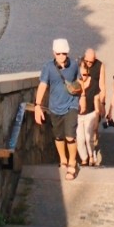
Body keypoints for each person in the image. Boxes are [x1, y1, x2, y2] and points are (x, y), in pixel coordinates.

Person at [33, 38, 82, 180]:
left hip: (71, 104)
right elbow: (43, 86)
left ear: (68, 52)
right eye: (59, 53)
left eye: (64, 53)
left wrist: (82, 96)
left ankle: (72, 163)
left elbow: (79, 81)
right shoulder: (48, 67)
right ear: (54, 53)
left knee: (70, 136)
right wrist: (37, 106)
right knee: (59, 136)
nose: (62, 56)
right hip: (55, 107)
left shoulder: (74, 65)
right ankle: (63, 160)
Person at [75, 57, 102, 167]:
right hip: (78, 115)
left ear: (88, 72)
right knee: (80, 139)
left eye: (85, 75)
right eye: (80, 75)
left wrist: (96, 117)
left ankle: (91, 155)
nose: (83, 78)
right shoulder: (74, 84)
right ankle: (84, 158)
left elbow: (96, 100)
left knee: (88, 137)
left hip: (90, 114)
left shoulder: (94, 83)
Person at [81, 47, 106, 163]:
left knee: (94, 129)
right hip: (83, 99)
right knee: (82, 131)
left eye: (91, 61)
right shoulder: (81, 64)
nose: (89, 64)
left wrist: (103, 103)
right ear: (84, 58)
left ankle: (93, 150)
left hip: (95, 98)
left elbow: (102, 85)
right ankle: (85, 154)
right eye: (87, 61)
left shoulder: (100, 66)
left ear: (95, 59)